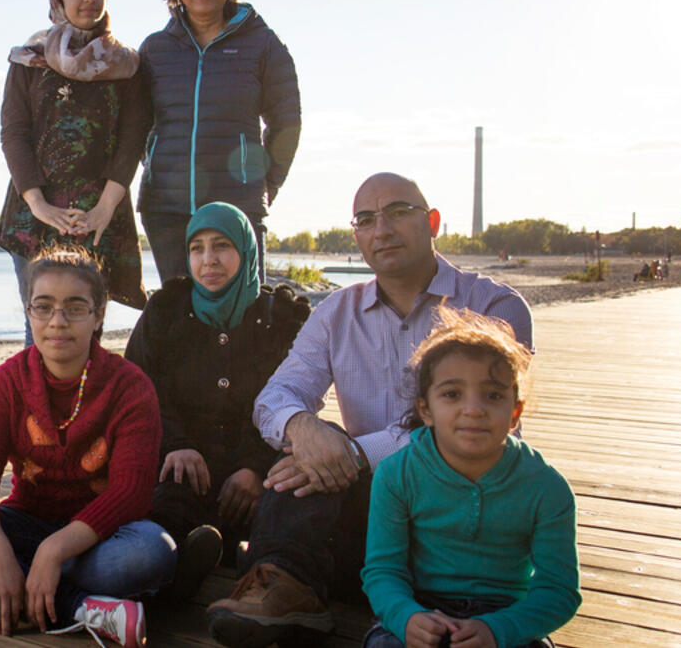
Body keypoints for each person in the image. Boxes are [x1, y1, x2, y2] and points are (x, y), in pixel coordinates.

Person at [206, 172, 534, 648]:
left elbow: (467, 432)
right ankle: (286, 586)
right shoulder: (336, 312)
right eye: (365, 219)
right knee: (302, 454)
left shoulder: (492, 305)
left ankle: (294, 573)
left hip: (465, 513)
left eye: (398, 212)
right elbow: (275, 398)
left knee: (324, 457)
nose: (381, 229)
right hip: (380, 514)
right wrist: (302, 427)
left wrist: (354, 453)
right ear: (357, 236)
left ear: (433, 223)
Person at [0, 248, 176, 648]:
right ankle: (77, 606)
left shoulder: (130, 386)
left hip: (99, 538)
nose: (57, 321)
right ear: (28, 312)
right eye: (44, 306)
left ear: (99, 315)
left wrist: (52, 553)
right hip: (24, 523)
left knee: (152, 551)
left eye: (75, 308)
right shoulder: (6, 382)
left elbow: (130, 493)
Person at [361, 308, 579, 648]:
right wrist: (406, 617)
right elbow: (382, 570)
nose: (474, 409)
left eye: (493, 395)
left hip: (506, 614)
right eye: (452, 394)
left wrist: (499, 629)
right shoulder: (397, 475)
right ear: (426, 410)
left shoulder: (546, 487)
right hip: (422, 608)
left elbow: (559, 589)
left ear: (515, 413)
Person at [123, 202, 310, 597]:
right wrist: (177, 445)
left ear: (246, 250)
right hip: (184, 466)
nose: (208, 260)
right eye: (197, 248)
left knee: (283, 510)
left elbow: (297, 397)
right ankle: (176, 574)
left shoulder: (279, 319)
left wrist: (254, 467)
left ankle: (255, 571)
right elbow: (139, 388)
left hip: (259, 471)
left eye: (222, 245)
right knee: (166, 511)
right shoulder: (166, 310)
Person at [0, 0, 150, 333]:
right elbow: (13, 133)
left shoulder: (126, 65)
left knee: (86, 328)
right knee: (42, 329)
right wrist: (39, 205)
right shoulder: (28, 60)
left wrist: (104, 209)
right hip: (34, 215)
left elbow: (132, 139)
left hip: (98, 216)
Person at [136, 0, 301, 283]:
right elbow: (135, 125)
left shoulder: (263, 44)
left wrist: (266, 184)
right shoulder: (155, 49)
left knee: (243, 308)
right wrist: (155, 166)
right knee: (178, 308)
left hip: (237, 208)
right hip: (166, 210)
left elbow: (287, 122)